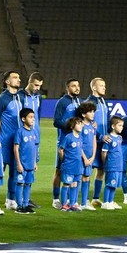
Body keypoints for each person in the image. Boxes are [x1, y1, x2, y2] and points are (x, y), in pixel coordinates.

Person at [0, 70, 24, 210]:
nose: (18, 80)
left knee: (15, 172)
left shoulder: (20, 98)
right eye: (15, 77)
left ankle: (10, 200)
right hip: (3, 142)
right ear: (7, 81)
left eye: (18, 77)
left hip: (16, 142)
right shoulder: (2, 99)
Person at [51, 78, 81, 208]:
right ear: (67, 88)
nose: (77, 88)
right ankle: (56, 199)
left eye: (78, 86)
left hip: (75, 142)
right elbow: (56, 121)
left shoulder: (78, 102)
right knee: (59, 170)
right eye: (73, 86)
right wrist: (70, 127)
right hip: (64, 141)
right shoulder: (62, 102)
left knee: (74, 171)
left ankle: (70, 200)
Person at [19, 72, 44, 208]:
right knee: (21, 169)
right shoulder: (21, 96)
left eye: (39, 86)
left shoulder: (38, 97)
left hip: (35, 136)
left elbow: (37, 118)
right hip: (24, 136)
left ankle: (26, 198)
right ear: (29, 82)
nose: (37, 88)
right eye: (35, 85)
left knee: (32, 168)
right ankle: (14, 199)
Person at [87, 78, 111, 205]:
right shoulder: (89, 103)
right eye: (101, 85)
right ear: (94, 88)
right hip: (92, 142)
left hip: (103, 141)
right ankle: (83, 200)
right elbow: (88, 125)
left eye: (104, 85)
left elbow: (106, 122)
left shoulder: (103, 102)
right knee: (87, 171)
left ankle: (95, 199)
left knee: (101, 170)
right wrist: (100, 136)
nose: (104, 88)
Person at [58, 115, 86, 212]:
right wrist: (64, 160)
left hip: (78, 167)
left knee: (74, 184)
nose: (80, 126)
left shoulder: (80, 138)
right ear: (72, 126)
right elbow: (61, 150)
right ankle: (64, 205)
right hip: (69, 166)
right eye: (78, 124)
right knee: (66, 184)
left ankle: (73, 204)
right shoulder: (68, 137)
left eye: (81, 124)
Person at [14, 107, 39, 214]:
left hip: (30, 164)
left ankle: (25, 204)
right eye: (30, 117)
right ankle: (19, 206)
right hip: (22, 164)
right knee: (20, 184)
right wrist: (19, 163)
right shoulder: (20, 132)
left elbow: (34, 148)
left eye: (34, 117)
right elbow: (16, 148)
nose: (33, 119)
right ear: (23, 119)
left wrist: (34, 163)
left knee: (28, 184)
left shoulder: (34, 132)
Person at [76, 102, 98, 210]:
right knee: (78, 179)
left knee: (87, 178)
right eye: (90, 112)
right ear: (84, 114)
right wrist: (84, 158)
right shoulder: (81, 126)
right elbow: (79, 143)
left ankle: (84, 203)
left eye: (93, 111)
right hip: (81, 157)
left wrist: (93, 156)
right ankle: (75, 202)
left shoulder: (93, 126)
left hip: (90, 157)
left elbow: (94, 142)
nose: (93, 113)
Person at [100, 116, 125, 209]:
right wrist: (105, 163)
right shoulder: (109, 139)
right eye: (119, 125)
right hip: (111, 165)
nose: (121, 127)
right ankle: (105, 202)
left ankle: (111, 201)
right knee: (109, 184)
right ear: (113, 126)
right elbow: (104, 152)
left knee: (114, 185)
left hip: (119, 166)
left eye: (122, 125)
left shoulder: (119, 138)